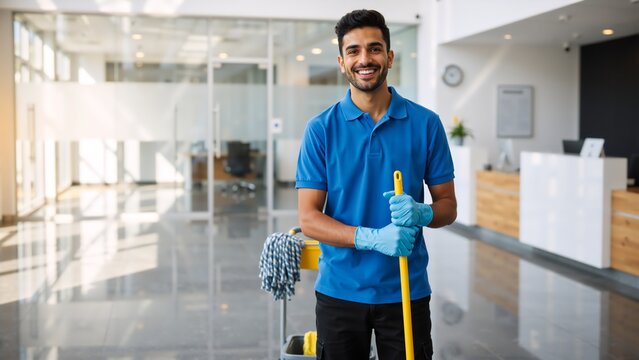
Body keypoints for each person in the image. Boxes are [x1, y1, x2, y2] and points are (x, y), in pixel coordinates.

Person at [296, 9, 457, 360]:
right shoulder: (321, 129)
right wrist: (370, 238)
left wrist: (423, 212)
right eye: (353, 51)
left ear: (389, 56)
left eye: (374, 48)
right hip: (340, 291)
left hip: (405, 291)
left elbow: (448, 206)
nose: (364, 59)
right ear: (342, 61)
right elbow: (308, 218)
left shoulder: (426, 124)